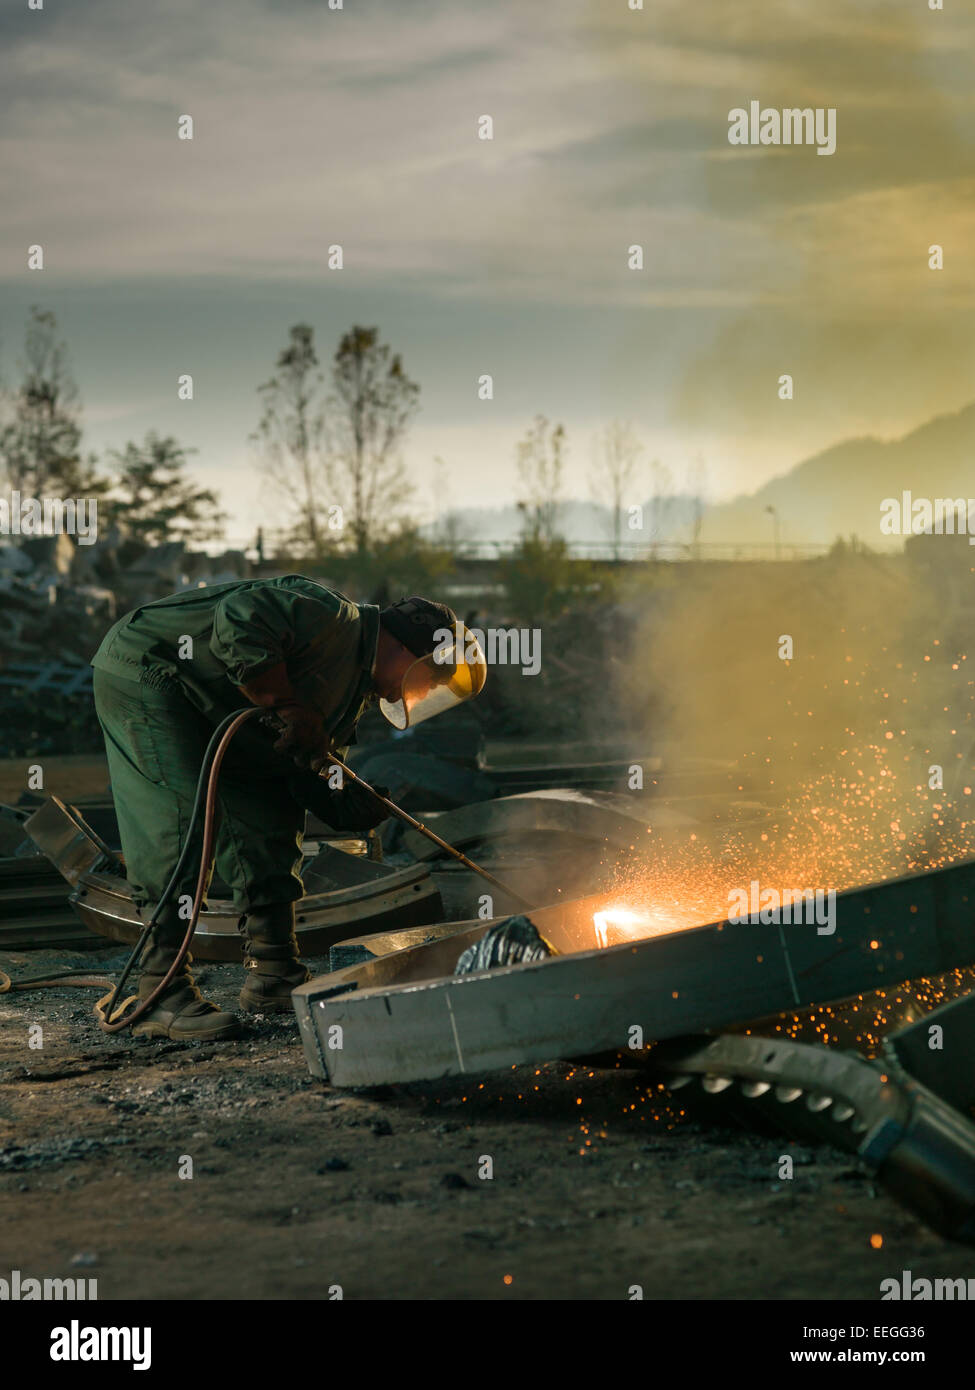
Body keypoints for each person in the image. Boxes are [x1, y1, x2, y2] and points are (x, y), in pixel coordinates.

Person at [90, 577, 485, 1041]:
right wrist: (287, 705)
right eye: (423, 681)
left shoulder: (350, 695)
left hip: (219, 704)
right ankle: (161, 991)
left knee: (270, 821)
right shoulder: (330, 616)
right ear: (402, 647)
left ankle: (273, 974)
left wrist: (344, 800)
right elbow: (239, 619)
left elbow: (302, 769)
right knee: (179, 827)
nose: (403, 698)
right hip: (152, 674)